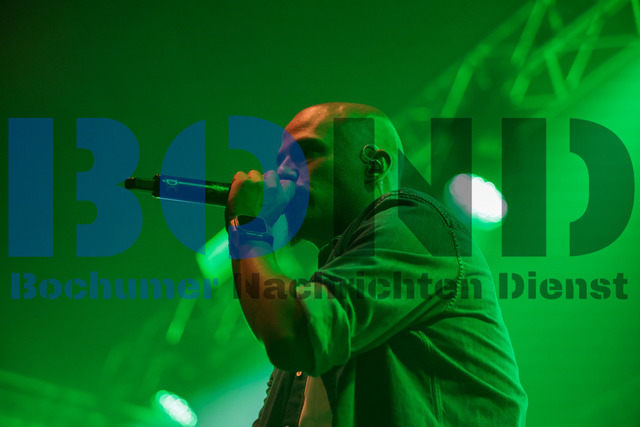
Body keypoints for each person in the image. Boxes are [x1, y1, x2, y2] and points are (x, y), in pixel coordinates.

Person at [225, 102, 527, 426]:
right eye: (280, 162)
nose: (281, 174)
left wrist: (248, 224)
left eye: (306, 155)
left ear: (374, 164)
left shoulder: (418, 227)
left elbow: (291, 333)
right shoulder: (328, 289)